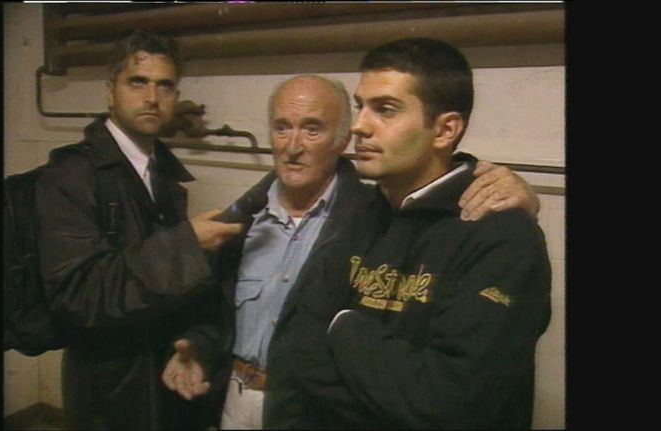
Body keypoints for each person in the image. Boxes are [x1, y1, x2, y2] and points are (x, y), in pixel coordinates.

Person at [162, 73, 541, 429]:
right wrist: (202, 346)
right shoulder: (240, 220)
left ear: (343, 139)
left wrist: (517, 195)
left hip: (309, 414)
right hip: (233, 400)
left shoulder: (369, 216)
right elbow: (224, 314)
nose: (293, 146)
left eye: (312, 129)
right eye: (282, 128)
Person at [296, 37, 552, 428]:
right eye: (360, 106)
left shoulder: (501, 234)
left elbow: (449, 402)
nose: (359, 126)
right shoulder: (356, 211)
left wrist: (343, 325)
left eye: (385, 109)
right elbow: (301, 352)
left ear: (445, 130)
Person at [34, 30, 243, 429]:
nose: (152, 97)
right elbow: (78, 295)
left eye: (165, 85)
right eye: (138, 82)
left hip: (165, 376)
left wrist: (195, 344)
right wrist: (186, 245)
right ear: (110, 92)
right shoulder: (70, 175)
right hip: (107, 389)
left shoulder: (160, 174)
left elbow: (166, 289)